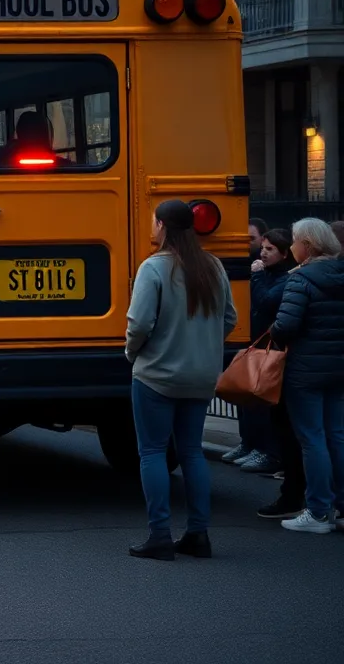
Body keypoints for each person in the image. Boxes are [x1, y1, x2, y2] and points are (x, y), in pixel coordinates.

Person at [124, 199, 237, 560]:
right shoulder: (214, 266)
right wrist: (203, 345)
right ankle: (198, 534)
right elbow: (230, 318)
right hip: (202, 374)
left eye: (154, 222)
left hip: (157, 374)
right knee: (191, 452)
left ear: (161, 226)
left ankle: (159, 534)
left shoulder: (153, 268)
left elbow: (139, 323)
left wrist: (133, 352)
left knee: (153, 451)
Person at [268, 218, 344, 534]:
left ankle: (317, 510)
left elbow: (285, 326)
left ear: (307, 246)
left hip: (305, 371)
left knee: (311, 439)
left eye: (296, 241)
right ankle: (340, 507)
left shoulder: (300, 280)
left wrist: (275, 335)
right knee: (337, 435)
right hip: (338, 368)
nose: (293, 246)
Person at [224, 229, 295, 475]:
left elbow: (266, 301)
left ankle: (269, 452)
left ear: (284, 253)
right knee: (248, 396)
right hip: (257, 342)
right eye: (263, 248)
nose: (263, 253)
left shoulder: (284, 278)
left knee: (265, 401)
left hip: (273, 347)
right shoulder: (266, 274)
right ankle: (250, 443)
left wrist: (256, 277)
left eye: (270, 249)